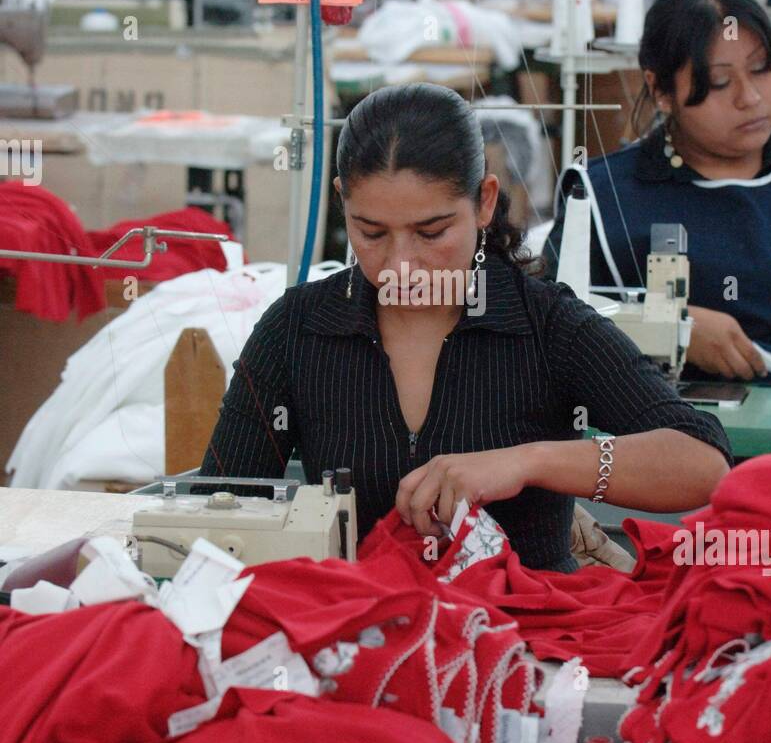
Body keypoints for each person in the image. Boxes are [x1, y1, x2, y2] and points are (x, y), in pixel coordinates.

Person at [199, 84, 731, 573]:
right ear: (343, 202)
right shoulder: (298, 329)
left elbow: (702, 459)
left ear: (484, 201)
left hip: (525, 643)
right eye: (372, 232)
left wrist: (529, 462)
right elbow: (219, 507)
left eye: (431, 232)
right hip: (360, 637)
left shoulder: (546, 327)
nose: (401, 263)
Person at [544, 0, 771, 380]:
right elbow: (542, 320)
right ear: (660, 89)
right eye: (719, 82)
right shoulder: (602, 198)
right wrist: (663, 325)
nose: (750, 98)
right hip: (659, 436)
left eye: (763, 69)